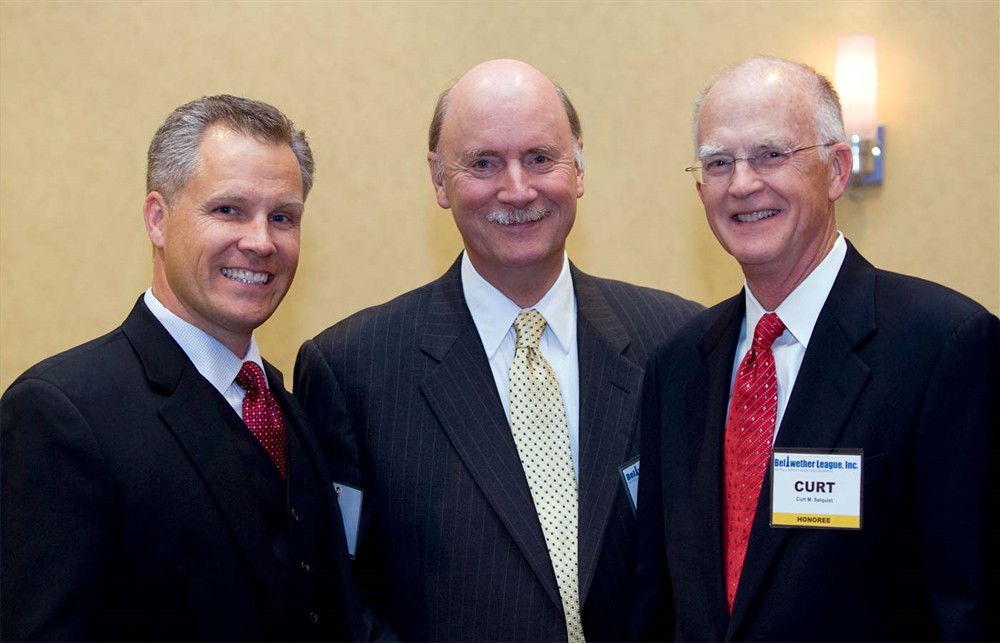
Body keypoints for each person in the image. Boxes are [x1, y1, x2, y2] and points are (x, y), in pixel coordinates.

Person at [294, 59, 703, 642]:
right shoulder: (351, 368)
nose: (518, 189)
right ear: (439, 179)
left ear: (579, 165)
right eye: (484, 163)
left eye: (540, 158)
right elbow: (339, 597)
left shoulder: (676, 342)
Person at [631, 56, 999, 641]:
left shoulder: (943, 346)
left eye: (772, 154)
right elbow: (651, 601)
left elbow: (972, 606)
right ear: (700, 190)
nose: (743, 183)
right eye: (720, 162)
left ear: (836, 169)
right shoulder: (678, 365)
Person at [0, 95, 366, 641]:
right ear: (157, 219)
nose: (261, 242)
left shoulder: (284, 403)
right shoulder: (61, 413)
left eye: (282, 217)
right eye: (229, 210)